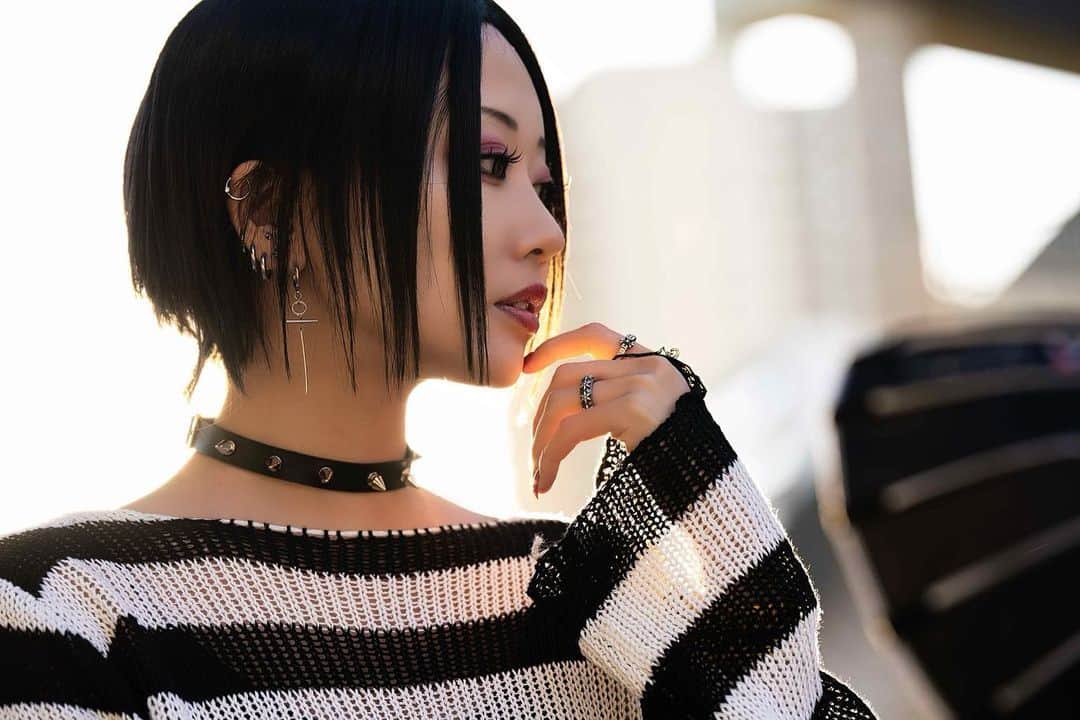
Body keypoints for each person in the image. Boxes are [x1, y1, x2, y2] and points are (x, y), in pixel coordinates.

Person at [0, 1, 877, 717]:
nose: (547, 232)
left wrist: (695, 478)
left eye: (545, 184)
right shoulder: (62, 609)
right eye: (488, 164)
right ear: (271, 210)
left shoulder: (576, 599)